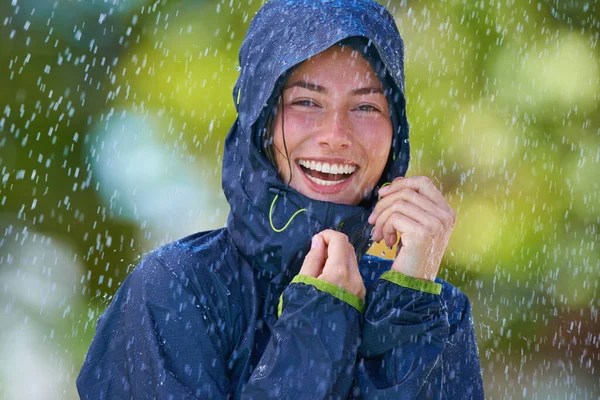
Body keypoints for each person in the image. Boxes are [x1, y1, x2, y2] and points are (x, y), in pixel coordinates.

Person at [77, 0, 484, 398]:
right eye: (306, 102)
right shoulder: (177, 289)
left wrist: (407, 307)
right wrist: (319, 322)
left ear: (396, 132)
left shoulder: (435, 310)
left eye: (365, 106)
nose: (335, 134)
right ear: (262, 122)